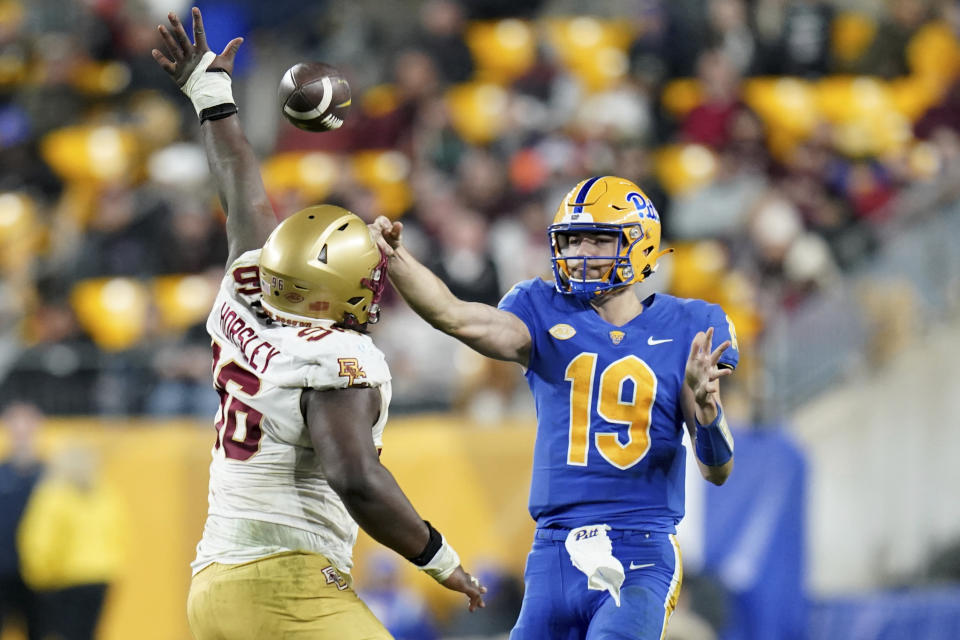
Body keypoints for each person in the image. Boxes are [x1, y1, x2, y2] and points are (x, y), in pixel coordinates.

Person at [151, 8, 485, 639]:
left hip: (214, 580)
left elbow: (244, 191)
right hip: (288, 585)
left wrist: (210, 93)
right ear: (338, 292)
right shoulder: (334, 356)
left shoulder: (244, 290)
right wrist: (441, 560)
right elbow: (356, 477)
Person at [370, 175, 739, 639]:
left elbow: (718, 468)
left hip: (639, 550)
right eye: (572, 239)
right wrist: (396, 257)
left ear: (639, 244)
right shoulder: (541, 308)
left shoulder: (689, 325)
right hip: (552, 554)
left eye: (598, 240)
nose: (581, 252)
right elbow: (454, 314)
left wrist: (706, 408)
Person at [17, 444, 128, 640]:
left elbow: (42, 540)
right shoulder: (103, 494)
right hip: (100, 576)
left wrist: (39, 577)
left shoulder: (53, 494)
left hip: (64, 578)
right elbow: (117, 533)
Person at [0, 403, 44, 640]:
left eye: (27, 426)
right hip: (3, 571)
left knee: (36, 630)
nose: (21, 433)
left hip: (38, 574)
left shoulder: (50, 475)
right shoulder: (2, 474)